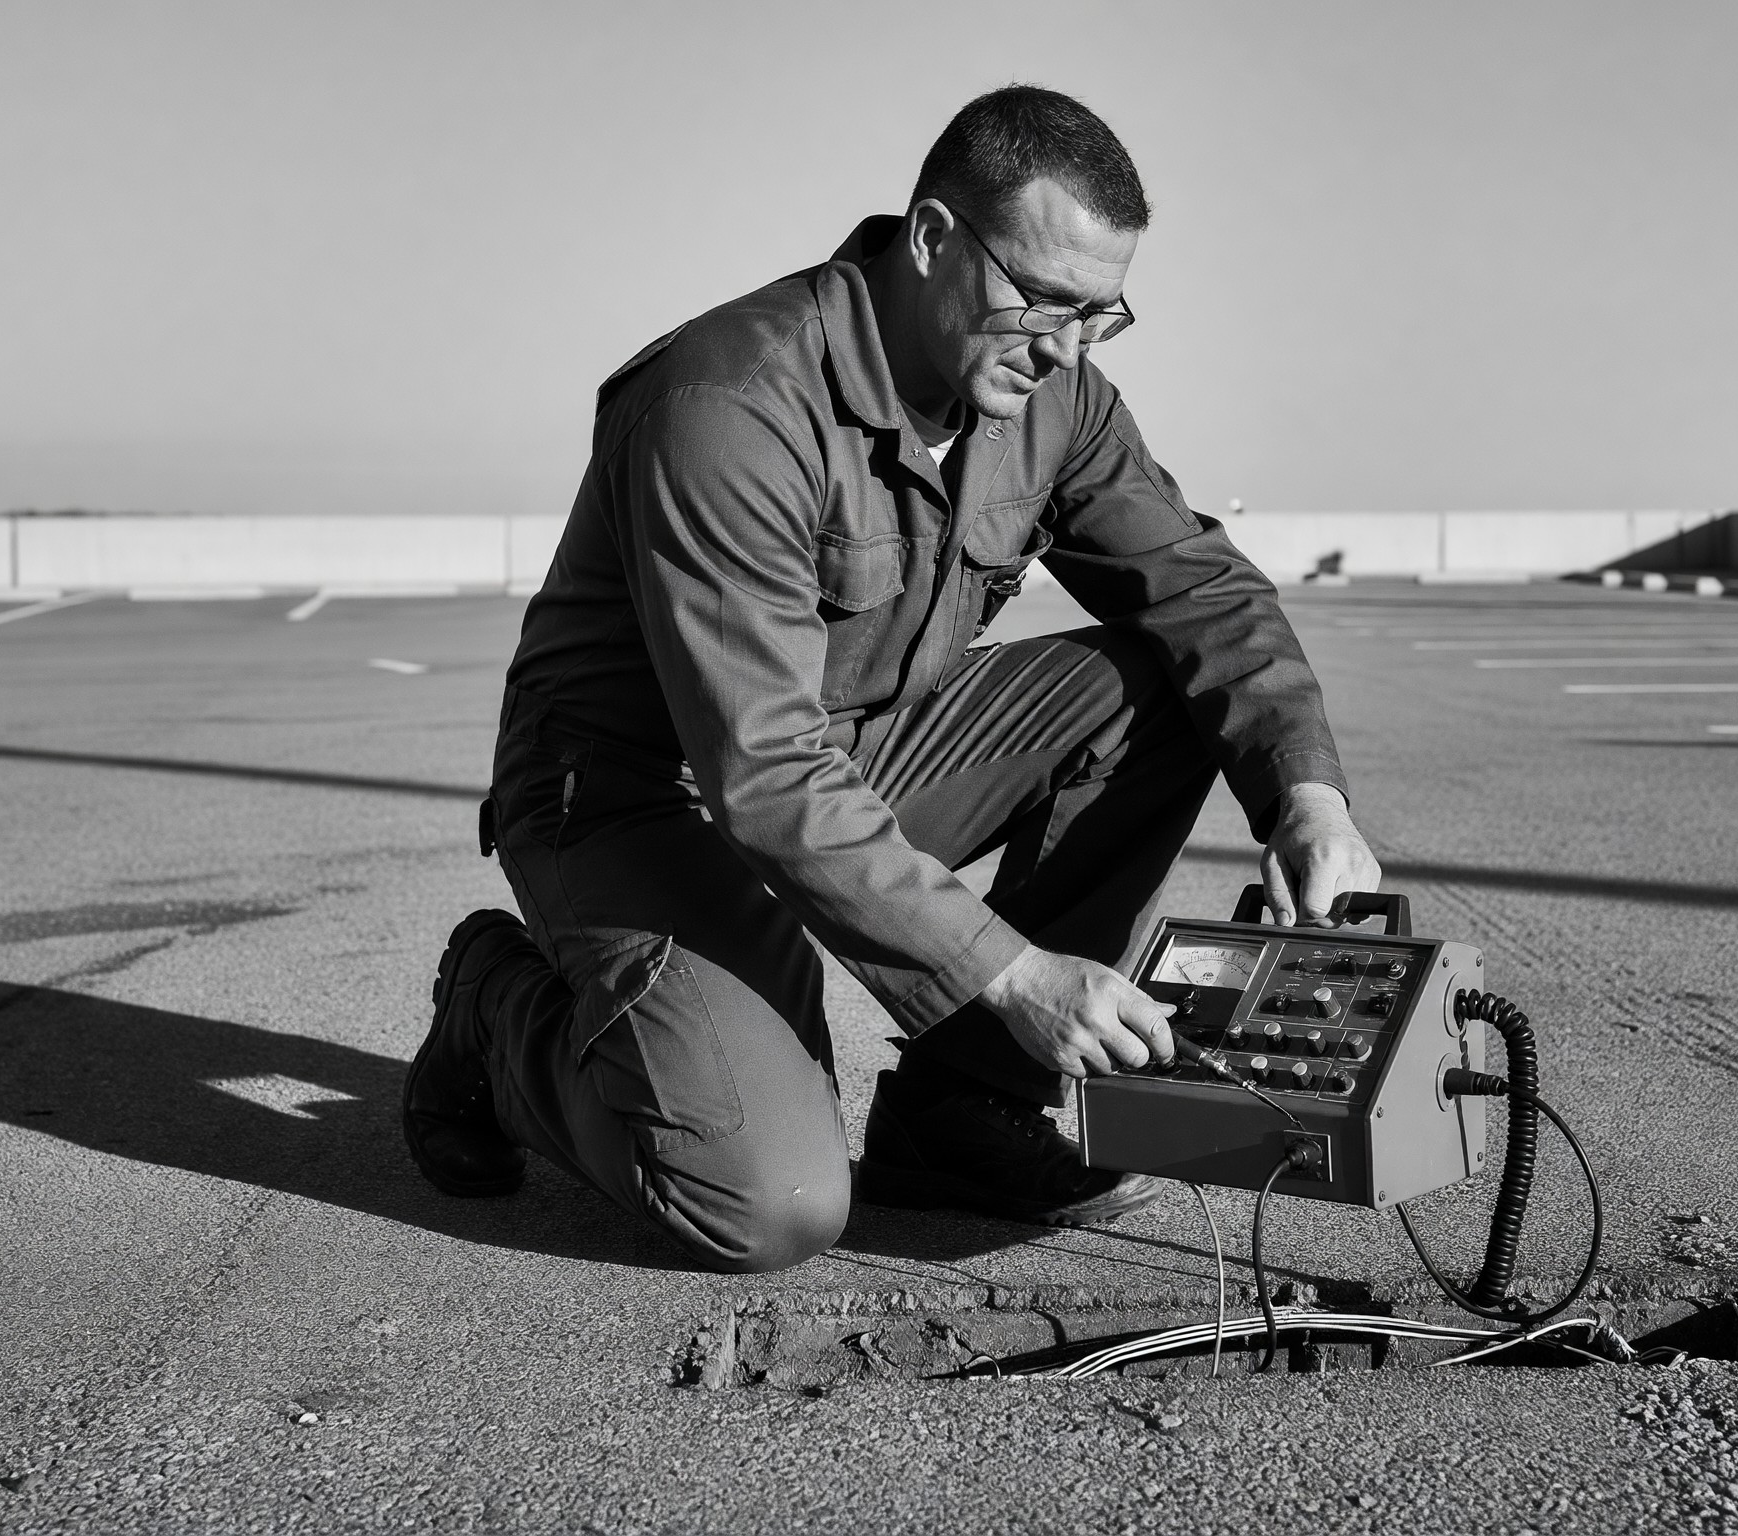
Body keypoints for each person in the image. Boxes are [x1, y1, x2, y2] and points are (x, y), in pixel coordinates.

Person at [403, 85, 1380, 1274]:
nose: (1067, 348)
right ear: (929, 240)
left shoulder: (1049, 394)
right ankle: (496, 1014)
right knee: (767, 1204)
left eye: (1102, 313)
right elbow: (759, 767)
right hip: (641, 800)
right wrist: (1009, 972)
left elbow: (1198, 592)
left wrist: (1306, 798)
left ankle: (957, 1112)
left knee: (1162, 683)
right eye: (1044, 302)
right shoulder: (731, 406)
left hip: (848, 754)